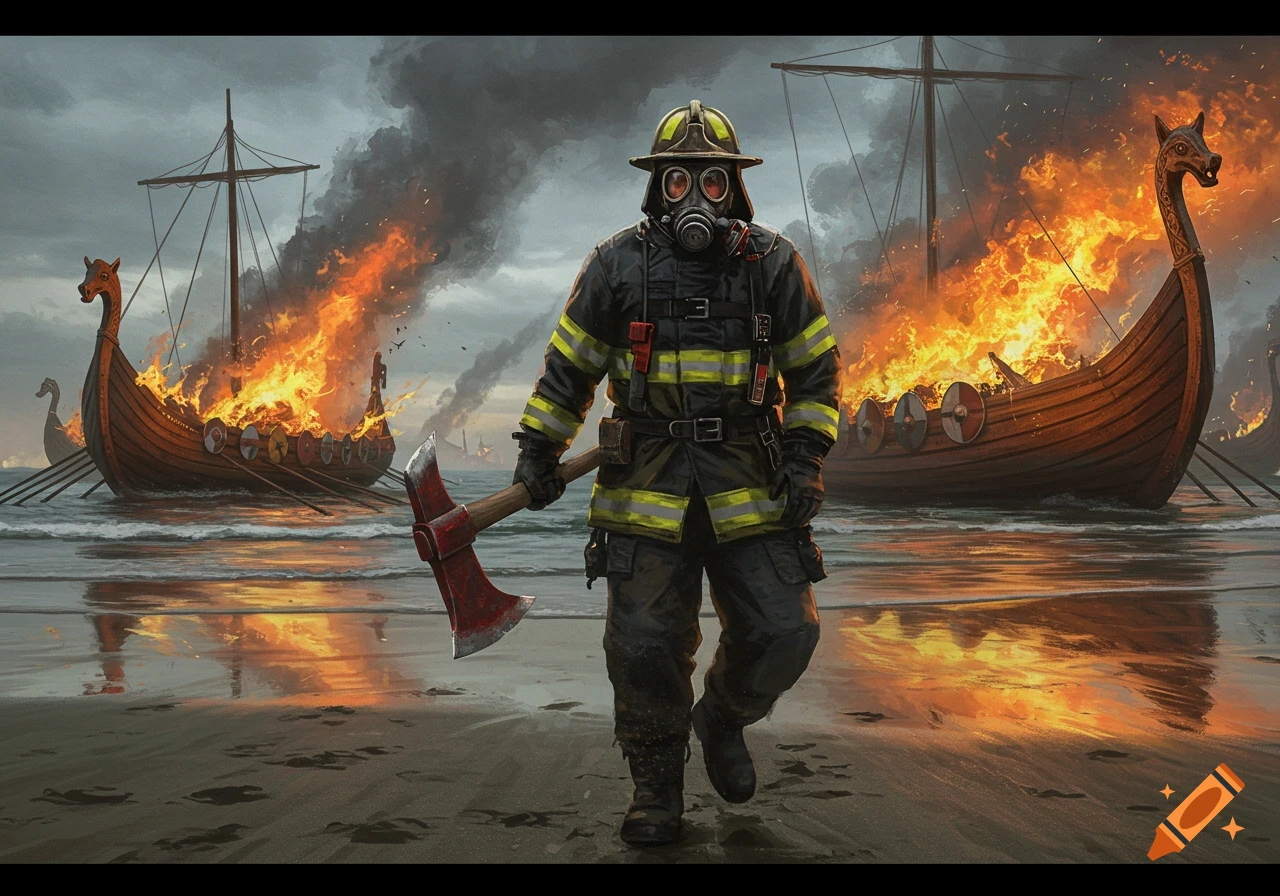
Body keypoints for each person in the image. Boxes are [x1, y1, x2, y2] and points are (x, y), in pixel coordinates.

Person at [512, 100, 840, 847]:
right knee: (643, 646)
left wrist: (806, 456)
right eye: (680, 180)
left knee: (786, 632)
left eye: (714, 184)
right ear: (657, 187)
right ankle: (656, 790)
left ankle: (721, 718)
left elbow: (817, 375)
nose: (697, 198)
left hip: (751, 483)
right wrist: (538, 448)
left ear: (736, 188)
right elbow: (569, 370)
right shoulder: (613, 265)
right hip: (645, 487)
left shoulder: (777, 265)